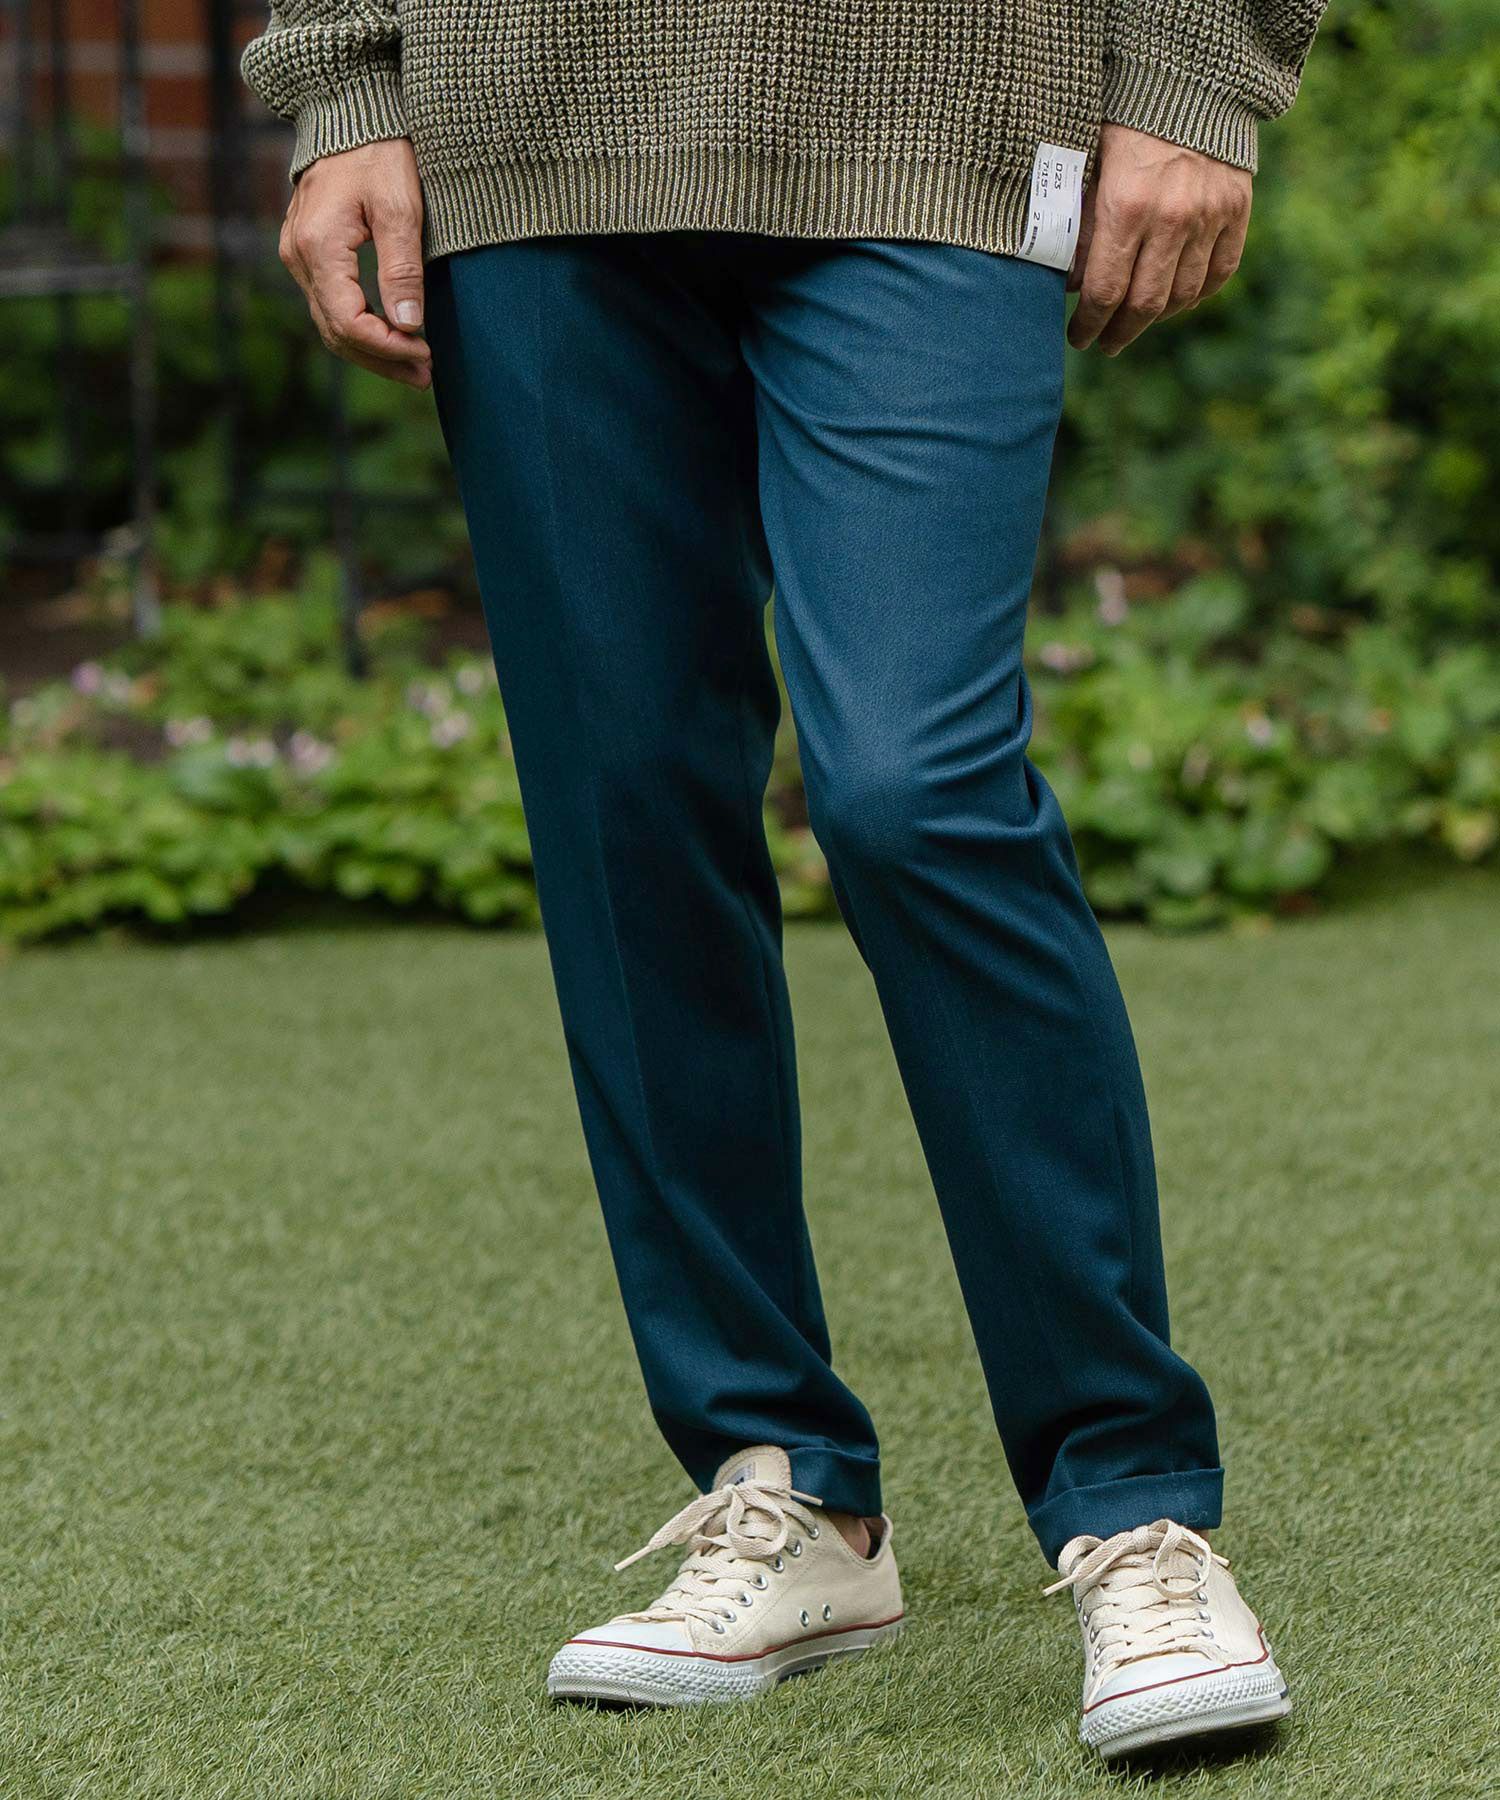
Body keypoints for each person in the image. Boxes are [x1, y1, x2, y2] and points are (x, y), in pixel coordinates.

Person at [244, 0, 1325, 1760]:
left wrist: (1201, 69)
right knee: (623, 804)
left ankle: (1133, 1502)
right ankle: (786, 1481)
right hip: (531, 121)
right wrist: (346, 80)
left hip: (946, 102)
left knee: (913, 788)